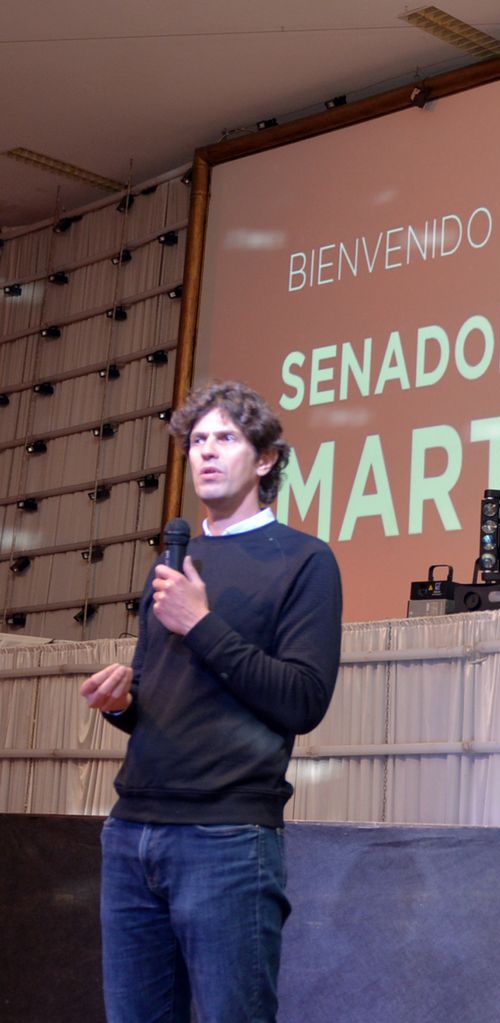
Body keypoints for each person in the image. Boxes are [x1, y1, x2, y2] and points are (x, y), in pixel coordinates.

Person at [79, 381, 342, 1023]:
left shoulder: (305, 562)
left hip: (226, 838)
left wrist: (200, 623)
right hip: (132, 830)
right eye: (197, 440)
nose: (206, 452)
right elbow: (164, 700)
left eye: (226, 438)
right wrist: (121, 704)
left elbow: (303, 700)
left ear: (266, 459)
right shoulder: (174, 562)